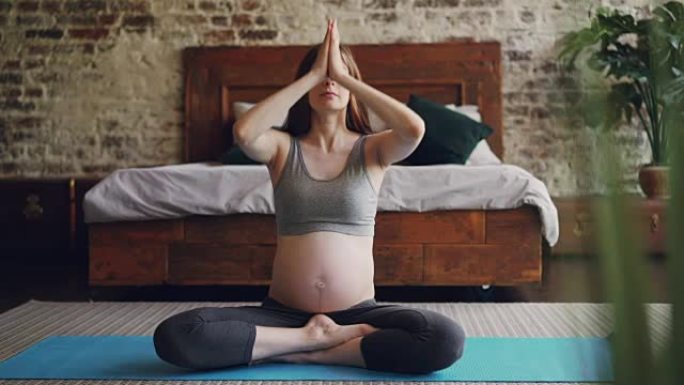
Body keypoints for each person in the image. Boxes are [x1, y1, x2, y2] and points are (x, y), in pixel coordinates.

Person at [153, 18, 466, 374]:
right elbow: (244, 131)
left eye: (339, 75)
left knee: (444, 338)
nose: (329, 80)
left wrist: (342, 75)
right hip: (281, 313)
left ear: (352, 87)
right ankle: (311, 339)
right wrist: (312, 75)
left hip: (357, 313)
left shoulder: (373, 149)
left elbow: (414, 129)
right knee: (176, 335)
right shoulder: (282, 148)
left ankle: (314, 350)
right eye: (323, 75)